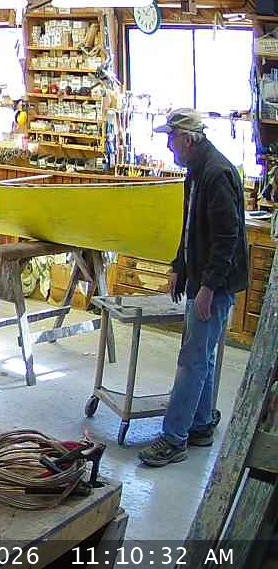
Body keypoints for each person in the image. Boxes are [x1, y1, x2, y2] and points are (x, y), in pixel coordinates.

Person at [140, 108, 248, 467]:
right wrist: (179, 266)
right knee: (203, 356)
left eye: (172, 139)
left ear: (188, 139)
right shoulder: (196, 172)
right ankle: (200, 425)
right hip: (203, 279)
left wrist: (208, 287)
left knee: (192, 360)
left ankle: (174, 439)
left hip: (214, 285)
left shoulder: (217, 174)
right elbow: (190, 227)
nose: (169, 146)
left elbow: (227, 238)